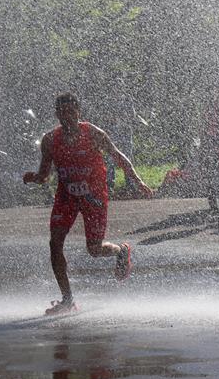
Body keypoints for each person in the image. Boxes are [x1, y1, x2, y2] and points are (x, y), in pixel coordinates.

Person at [23, 92, 153, 315]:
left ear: (78, 112)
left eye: (71, 112)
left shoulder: (92, 133)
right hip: (67, 197)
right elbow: (45, 175)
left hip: (94, 196)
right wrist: (33, 178)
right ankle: (67, 300)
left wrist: (137, 181)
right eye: (62, 113)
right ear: (57, 114)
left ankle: (121, 250)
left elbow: (118, 156)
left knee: (94, 249)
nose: (67, 117)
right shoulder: (50, 140)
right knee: (55, 243)